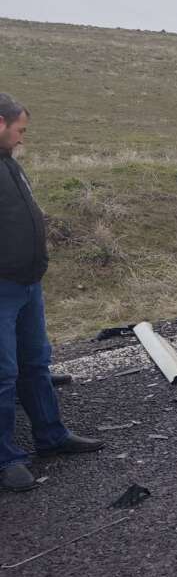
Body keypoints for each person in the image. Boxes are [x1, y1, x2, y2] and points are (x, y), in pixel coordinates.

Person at [0, 93, 104, 492]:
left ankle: (51, 436)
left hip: (27, 284)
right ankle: (6, 458)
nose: (22, 139)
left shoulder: (8, 163)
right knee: (2, 375)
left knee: (35, 363)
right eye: (20, 130)